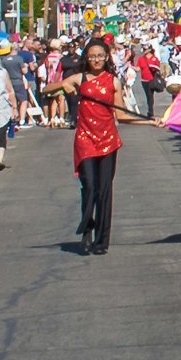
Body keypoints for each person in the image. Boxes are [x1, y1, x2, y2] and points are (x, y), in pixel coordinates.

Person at [70, 35, 124, 254]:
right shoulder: (79, 78)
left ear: (106, 57)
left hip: (108, 140)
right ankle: (87, 230)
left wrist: (151, 120)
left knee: (104, 190)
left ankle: (102, 240)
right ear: (87, 58)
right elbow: (48, 90)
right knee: (90, 186)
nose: (97, 60)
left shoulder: (113, 81)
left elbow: (121, 114)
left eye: (100, 56)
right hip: (85, 139)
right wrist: (63, 84)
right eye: (92, 56)